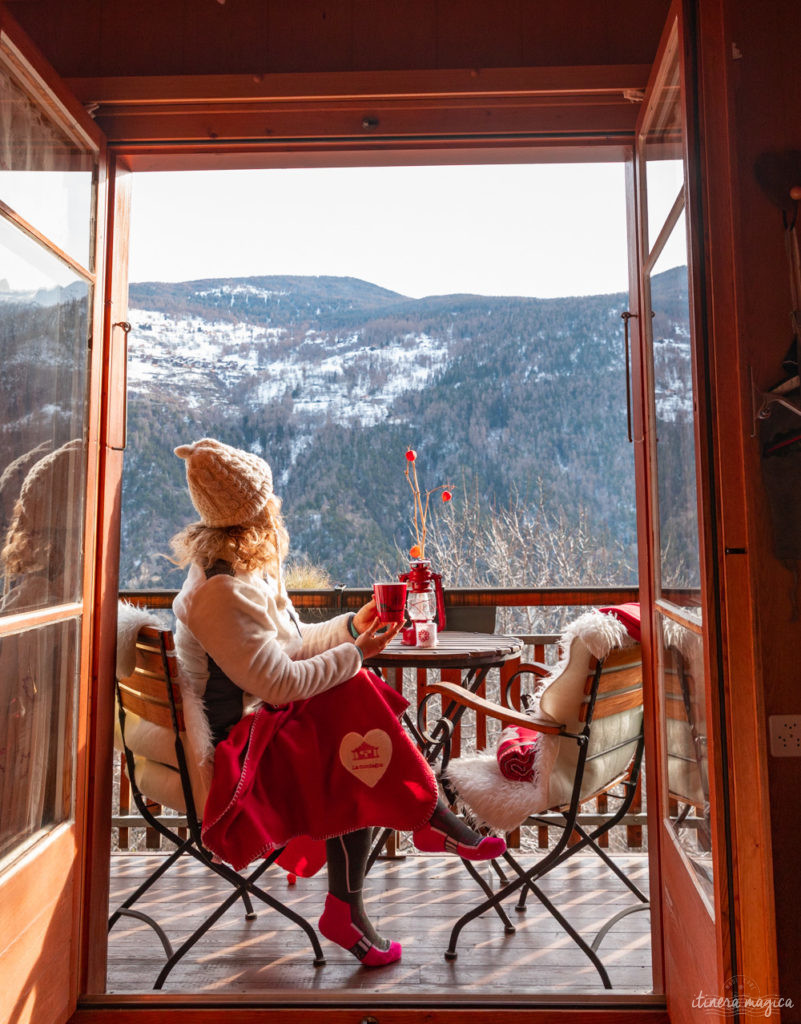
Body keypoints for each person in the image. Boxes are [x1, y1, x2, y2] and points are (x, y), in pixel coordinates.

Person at [169, 438, 505, 968]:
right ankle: (428, 820)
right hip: (240, 751)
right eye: (268, 502)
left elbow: (292, 647)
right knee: (350, 703)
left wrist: (355, 626)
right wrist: (356, 653)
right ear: (252, 514)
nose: (276, 508)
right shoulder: (219, 591)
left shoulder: (243, 570)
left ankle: (402, 847)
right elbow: (279, 683)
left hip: (266, 723)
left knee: (352, 722)